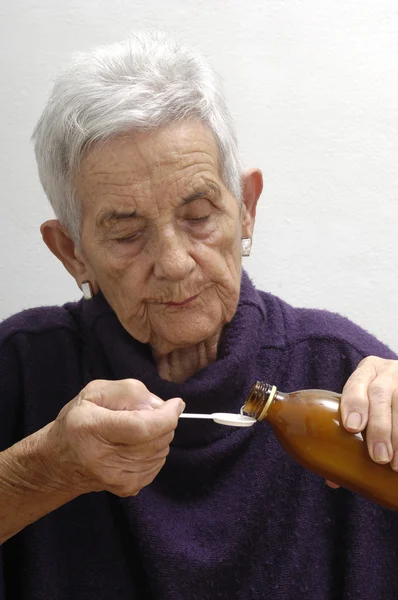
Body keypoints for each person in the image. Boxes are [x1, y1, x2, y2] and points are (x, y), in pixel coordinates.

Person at [0, 31, 397, 600]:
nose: (175, 263)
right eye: (129, 233)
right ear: (71, 252)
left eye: (199, 216)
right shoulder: (19, 367)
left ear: (247, 210)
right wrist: (42, 471)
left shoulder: (341, 368)